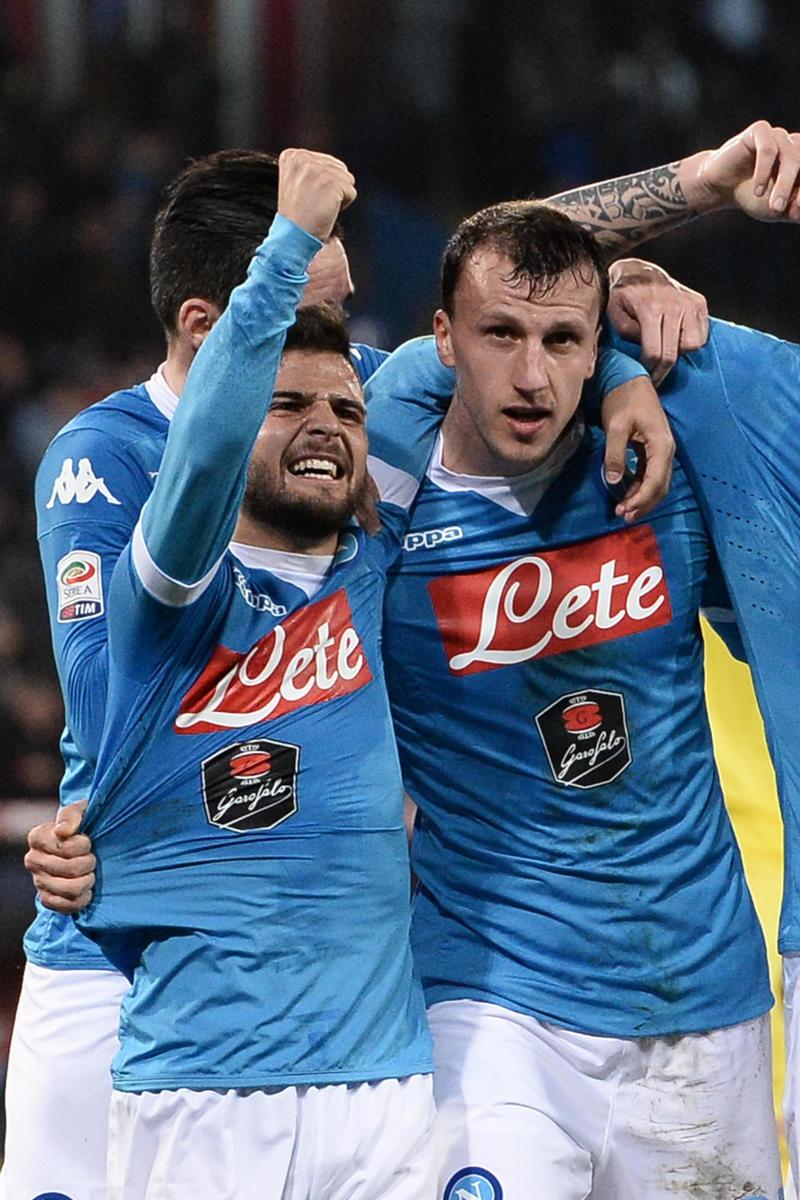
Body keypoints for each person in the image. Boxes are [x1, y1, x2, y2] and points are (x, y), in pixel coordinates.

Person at [5, 152, 673, 1199]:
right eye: (317, 306)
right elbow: (111, 703)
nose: (350, 354)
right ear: (213, 326)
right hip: (116, 936)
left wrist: (634, 327)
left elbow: (499, 284)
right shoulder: (107, 458)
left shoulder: (344, 447)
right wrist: (103, 846)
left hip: (344, 1023)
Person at [360, 200, 783, 1199]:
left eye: (561, 342)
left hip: (700, 1003)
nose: (530, 374)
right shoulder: (382, 507)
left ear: (596, 348)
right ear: (442, 341)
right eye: (499, 335)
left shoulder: (664, 478)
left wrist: (634, 333)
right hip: (491, 1004)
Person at [56, 149, 444, 1199]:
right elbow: (201, 452)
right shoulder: (169, 588)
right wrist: (287, 246)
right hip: (206, 1088)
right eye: (286, 404)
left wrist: (626, 349)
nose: (327, 424)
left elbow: (498, 303)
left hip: (387, 1085)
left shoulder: (368, 567)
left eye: (349, 412)